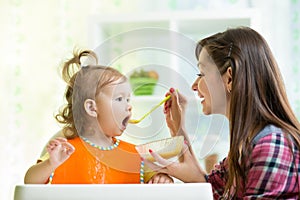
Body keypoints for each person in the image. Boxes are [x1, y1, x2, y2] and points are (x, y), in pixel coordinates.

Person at [146, 26, 300, 199]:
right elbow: (212, 191)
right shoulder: (245, 146)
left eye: (201, 73)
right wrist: (178, 130)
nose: (194, 85)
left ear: (229, 78)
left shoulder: (271, 144)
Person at [24, 49, 173, 184]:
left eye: (128, 99)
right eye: (119, 99)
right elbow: (30, 182)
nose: (129, 106)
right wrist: (51, 164)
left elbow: (160, 180)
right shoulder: (65, 151)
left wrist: (162, 179)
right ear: (91, 108)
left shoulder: (134, 155)